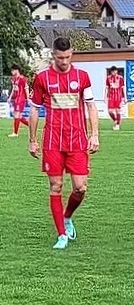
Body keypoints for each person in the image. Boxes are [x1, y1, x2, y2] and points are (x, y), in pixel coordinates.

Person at [28, 37, 100, 249]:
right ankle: (61, 234)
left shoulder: (82, 77)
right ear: (53, 55)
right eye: (60, 57)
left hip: (77, 140)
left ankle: (67, 216)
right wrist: (32, 140)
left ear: (72, 53)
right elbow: (34, 109)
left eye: (68, 57)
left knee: (80, 187)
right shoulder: (42, 78)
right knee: (56, 186)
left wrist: (94, 134)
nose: (64, 61)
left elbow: (91, 106)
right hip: (52, 141)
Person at [8, 64, 30, 137]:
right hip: (16, 99)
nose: (11, 72)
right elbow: (14, 89)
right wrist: (10, 97)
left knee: (17, 115)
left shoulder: (22, 78)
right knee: (18, 116)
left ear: (16, 70)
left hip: (21, 99)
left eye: (12, 70)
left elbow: (26, 88)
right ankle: (31, 125)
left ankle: (15, 133)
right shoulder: (14, 79)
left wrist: (28, 98)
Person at [105, 66, 125, 130]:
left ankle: (117, 124)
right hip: (111, 97)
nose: (113, 72)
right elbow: (107, 88)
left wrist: (125, 97)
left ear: (116, 71)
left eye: (114, 71)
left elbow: (123, 88)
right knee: (110, 111)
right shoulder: (108, 78)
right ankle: (115, 120)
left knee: (118, 111)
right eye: (112, 71)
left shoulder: (120, 78)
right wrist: (105, 96)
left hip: (118, 97)